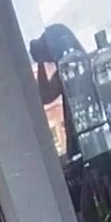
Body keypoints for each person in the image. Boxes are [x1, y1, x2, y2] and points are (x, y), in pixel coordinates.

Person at [29, 24, 83, 158]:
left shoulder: (73, 66)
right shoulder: (72, 66)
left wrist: (40, 59)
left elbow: (46, 95)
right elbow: (46, 95)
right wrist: (40, 61)